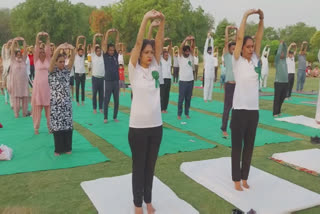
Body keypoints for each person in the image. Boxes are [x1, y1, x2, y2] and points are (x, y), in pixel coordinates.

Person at [128, 9, 165, 214]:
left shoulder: (155, 68)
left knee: (150, 168)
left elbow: (158, 43)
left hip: (156, 127)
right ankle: (137, 203)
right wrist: (145, 19)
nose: (150, 55)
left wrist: (163, 21)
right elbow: (137, 43)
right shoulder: (134, 71)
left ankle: (148, 200)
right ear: (140, 54)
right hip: (138, 128)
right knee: (139, 167)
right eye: (146, 52)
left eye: (152, 52)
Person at [231, 9, 264, 191]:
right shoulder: (238, 61)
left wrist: (261, 19)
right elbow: (239, 38)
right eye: (248, 47)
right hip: (239, 111)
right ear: (242, 48)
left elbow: (259, 37)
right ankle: (236, 179)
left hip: (254, 111)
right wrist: (245, 16)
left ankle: (245, 177)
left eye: (252, 47)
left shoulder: (255, 60)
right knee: (237, 147)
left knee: (249, 147)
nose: (251, 49)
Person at [48, 43, 75, 156]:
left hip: (66, 103)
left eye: (64, 61)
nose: (63, 64)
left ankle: (68, 147)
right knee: (58, 127)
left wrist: (72, 49)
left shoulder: (66, 70)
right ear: (55, 62)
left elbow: (72, 60)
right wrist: (58, 48)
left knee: (68, 126)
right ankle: (58, 149)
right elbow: (53, 58)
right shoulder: (51, 71)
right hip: (56, 104)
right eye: (60, 62)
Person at [31, 32, 51, 134]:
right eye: (40, 52)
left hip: (47, 88)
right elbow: (36, 48)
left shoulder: (48, 60)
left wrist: (47, 38)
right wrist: (38, 37)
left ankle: (50, 127)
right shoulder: (36, 60)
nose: (42, 53)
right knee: (37, 109)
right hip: (38, 88)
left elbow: (48, 49)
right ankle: (36, 128)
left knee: (49, 109)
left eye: (43, 52)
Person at [221, 25, 237, 138]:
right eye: (233, 47)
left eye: (236, 47)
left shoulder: (238, 57)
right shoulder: (227, 56)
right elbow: (226, 42)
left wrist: (237, 31)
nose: (234, 49)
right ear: (229, 49)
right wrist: (227, 30)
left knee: (236, 108)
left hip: (238, 86)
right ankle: (224, 128)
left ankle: (233, 126)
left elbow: (239, 41)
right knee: (227, 108)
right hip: (229, 85)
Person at [102, 29, 120, 123]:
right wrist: (108, 33)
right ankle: (105, 117)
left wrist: (117, 33)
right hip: (108, 81)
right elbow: (104, 44)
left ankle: (115, 117)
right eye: (110, 50)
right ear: (108, 50)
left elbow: (117, 43)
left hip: (116, 81)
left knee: (117, 100)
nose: (112, 51)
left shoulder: (115, 56)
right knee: (107, 100)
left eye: (113, 50)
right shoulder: (105, 55)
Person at [9, 37, 29, 118]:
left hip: (23, 82)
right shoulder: (13, 60)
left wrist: (24, 41)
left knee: (24, 98)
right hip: (16, 83)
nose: (19, 55)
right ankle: (16, 113)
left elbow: (26, 51)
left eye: (20, 54)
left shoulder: (24, 60)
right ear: (15, 55)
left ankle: (24, 113)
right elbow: (12, 51)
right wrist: (14, 41)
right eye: (17, 54)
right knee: (16, 98)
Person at [177, 36, 195, 120]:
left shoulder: (191, 57)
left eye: (188, 51)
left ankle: (186, 113)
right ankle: (179, 114)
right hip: (183, 81)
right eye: (186, 51)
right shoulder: (180, 57)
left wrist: (192, 40)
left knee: (188, 98)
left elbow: (193, 48)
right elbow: (181, 47)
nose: (188, 52)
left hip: (190, 81)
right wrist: (185, 40)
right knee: (181, 98)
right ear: (183, 52)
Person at [273, 41, 288, 117]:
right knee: (277, 98)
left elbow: (285, 50)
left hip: (285, 82)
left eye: (283, 53)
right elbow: (279, 53)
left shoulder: (284, 60)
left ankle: (279, 111)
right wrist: (280, 44)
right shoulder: (277, 60)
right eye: (281, 52)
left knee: (282, 97)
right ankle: (275, 112)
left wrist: (284, 44)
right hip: (278, 82)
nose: (283, 53)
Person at [91, 33, 105, 114]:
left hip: (102, 78)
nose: (99, 52)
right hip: (95, 78)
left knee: (101, 94)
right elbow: (93, 45)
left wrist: (102, 37)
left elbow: (103, 45)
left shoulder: (103, 56)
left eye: (100, 51)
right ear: (95, 52)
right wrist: (95, 37)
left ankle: (100, 108)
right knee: (94, 94)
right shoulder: (93, 56)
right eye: (98, 51)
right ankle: (94, 108)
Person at [160, 37, 172, 113]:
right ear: (163, 54)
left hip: (169, 78)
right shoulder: (161, 58)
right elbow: (160, 49)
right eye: (165, 54)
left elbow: (170, 49)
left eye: (167, 54)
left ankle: (165, 108)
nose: (167, 54)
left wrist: (170, 42)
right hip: (162, 79)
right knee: (162, 94)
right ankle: (161, 108)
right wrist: (163, 41)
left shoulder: (170, 58)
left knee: (167, 94)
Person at [74, 36, 86, 106]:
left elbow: (84, 47)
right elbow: (76, 46)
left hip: (83, 74)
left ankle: (82, 101)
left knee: (83, 88)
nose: (81, 52)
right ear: (78, 52)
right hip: (77, 74)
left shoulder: (83, 56)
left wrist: (84, 39)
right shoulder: (76, 55)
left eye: (82, 51)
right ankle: (77, 101)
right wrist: (78, 39)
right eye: (80, 51)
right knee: (77, 88)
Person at [203, 33, 215, 102]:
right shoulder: (205, 54)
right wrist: (208, 39)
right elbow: (205, 46)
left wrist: (212, 39)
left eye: (211, 50)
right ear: (207, 50)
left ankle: (210, 98)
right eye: (209, 50)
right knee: (207, 85)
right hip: (207, 72)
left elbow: (212, 46)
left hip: (212, 72)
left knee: (211, 85)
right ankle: (205, 98)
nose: (210, 50)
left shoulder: (212, 55)